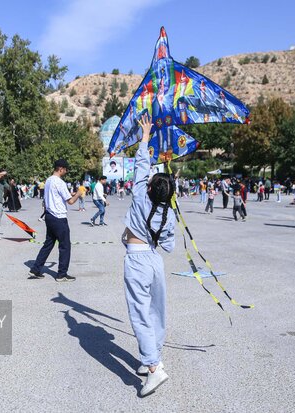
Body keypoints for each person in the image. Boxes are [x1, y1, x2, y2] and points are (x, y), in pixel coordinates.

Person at [121, 114, 175, 397]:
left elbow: (141, 166)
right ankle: (153, 356)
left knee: (140, 314)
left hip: (138, 259)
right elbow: (169, 246)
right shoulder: (168, 212)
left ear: (151, 188)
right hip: (155, 260)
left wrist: (144, 137)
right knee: (156, 311)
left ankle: (154, 369)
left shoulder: (141, 196)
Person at [28, 159, 82, 282]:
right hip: (59, 217)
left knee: (49, 243)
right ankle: (62, 274)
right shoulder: (60, 182)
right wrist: (79, 193)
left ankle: (36, 268)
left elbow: (59, 196)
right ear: (61, 169)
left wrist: (72, 193)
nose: (66, 171)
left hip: (49, 216)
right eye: (66, 169)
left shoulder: (48, 180)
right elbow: (71, 201)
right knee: (65, 246)